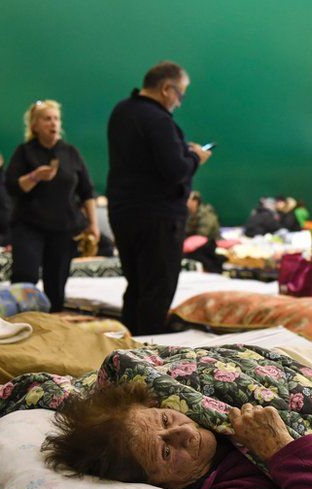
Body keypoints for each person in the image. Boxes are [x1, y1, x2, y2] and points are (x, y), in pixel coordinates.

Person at [43, 381, 312, 489]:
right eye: (166, 453)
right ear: (158, 485)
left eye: (166, 419)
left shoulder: (204, 412)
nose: (184, 431)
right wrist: (280, 448)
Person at [107, 61, 210, 335]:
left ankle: (122, 354)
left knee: (137, 287)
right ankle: (146, 363)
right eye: (181, 94)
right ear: (166, 88)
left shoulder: (121, 112)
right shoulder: (159, 120)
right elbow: (175, 171)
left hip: (123, 212)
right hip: (158, 218)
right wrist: (194, 157)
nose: (180, 101)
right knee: (157, 292)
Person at [7, 100, 99, 312]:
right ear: (35, 125)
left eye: (56, 118)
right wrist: (35, 176)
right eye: (47, 119)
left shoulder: (70, 152)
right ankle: (18, 322)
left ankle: (52, 324)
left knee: (57, 283)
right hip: (29, 225)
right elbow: (12, 187)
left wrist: (93, 224)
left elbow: (86, 191)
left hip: (63, 227)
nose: (53, 123)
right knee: (25, 275)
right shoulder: (24, 152)